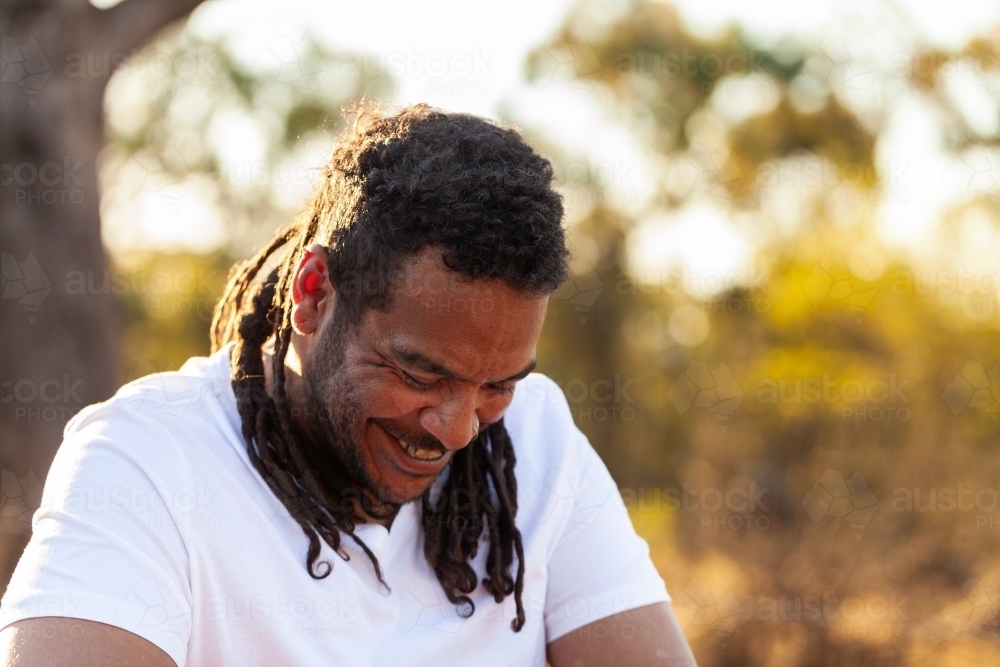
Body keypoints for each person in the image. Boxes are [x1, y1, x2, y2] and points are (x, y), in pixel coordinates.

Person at [0, 103, 696, 666]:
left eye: (498, 384)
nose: (456, 427)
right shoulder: (146, 460)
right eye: (420, 372)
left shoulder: (538, 440)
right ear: (312, 293)